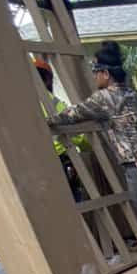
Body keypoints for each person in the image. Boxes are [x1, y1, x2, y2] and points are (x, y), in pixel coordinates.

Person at [46, 41, 137, 270]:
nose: (94, 77)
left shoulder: (104, 98)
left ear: (105, 73)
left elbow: (74, 113)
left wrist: (46, 121)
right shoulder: (130, 93)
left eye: (96, 73)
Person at [34, 57, 89, 201]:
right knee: (73, 205)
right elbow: (77, 135)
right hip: (60, 161)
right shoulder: (55, 103)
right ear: (47, 79)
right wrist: (89, 147)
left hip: (34, 165)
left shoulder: (19, 103)